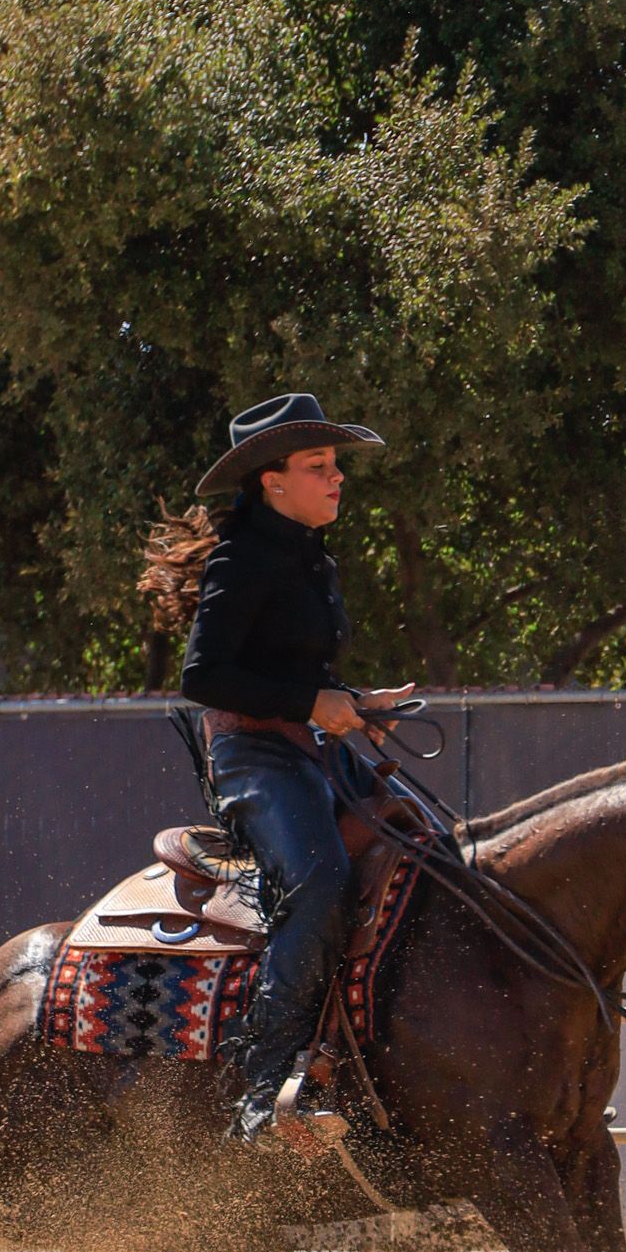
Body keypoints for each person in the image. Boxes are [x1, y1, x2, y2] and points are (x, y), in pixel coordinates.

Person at [181, 393, 413, 1146]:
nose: (336, 477)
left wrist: (348, 702)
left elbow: (291, 674)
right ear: (270, 481)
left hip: (312, 749)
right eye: (317, 466)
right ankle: (258, 1091)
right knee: (318, 886)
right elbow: (203, 676)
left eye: (335, 464)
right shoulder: (241, 559)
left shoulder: (310, 556)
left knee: (428, 851)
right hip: (252, 758)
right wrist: (314, 702)